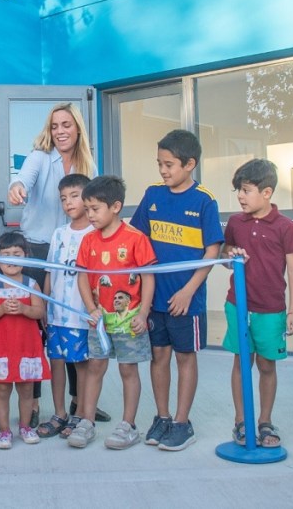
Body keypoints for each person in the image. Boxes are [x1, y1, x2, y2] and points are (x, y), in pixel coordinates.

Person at [5, 102, 101, 424]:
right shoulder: (40, 156)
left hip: (79, 248)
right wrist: (17, 188)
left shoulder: (88, 164)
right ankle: (32, 402)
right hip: (38, 248)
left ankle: (79, 400)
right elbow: (23, 179)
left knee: (76, 323)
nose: (60, 131)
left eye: (66, 125)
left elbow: (97, 204)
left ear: (77, 129)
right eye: (55, 125)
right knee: (36, 329)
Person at [130, 130, 223, 452]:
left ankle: (182, 423)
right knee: (159, 356)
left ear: (190, 164)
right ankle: (163, 417)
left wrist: (188, 292)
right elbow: (138, 239)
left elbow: (212, 251)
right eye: (159, 163)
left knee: (185, 357)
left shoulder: (205, 200)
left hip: (187, 301)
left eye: (169, 165)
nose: (163, 170)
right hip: (154, 298)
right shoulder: (153, 194)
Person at [69, 176, 156, 450]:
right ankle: (86, 421)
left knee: (128, 369)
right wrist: (91, 309)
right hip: (100, 321)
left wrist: (143, 313)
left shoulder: (136, 239)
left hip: (130, 322)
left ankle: (128, 426)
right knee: (95, 367)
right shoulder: (88, 241)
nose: (90, 215)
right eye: (87, 208)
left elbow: (148, 277)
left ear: (116, 207)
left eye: (95, 209)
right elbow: (83, 277)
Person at [221, 159, 293, 448]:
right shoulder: (235, 222)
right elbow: (225, 253)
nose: (240, 197)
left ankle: (265, 422)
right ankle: (241, 422)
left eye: (246, 190)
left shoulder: (285, 226)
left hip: (271, 310)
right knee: (242, 362)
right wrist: (231, 253)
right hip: (238, 305)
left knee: (267, 365)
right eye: (238, 191)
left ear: (266, 193)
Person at [0, 231, 48, 450]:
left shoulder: (31, 284)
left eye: (17, 254)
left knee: (26, 390)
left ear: (26, 257)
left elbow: (39, 311)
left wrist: (25, 308)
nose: (11, 259)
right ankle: (4, 430)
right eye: (5, 255)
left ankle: (25, 427)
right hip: (1, 347)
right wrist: (2, 309)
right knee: (2, 390)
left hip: (26, 346)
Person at [36, 173, 93, 440]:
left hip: (80, 316)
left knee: (81, 364)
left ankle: (80, 413)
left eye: (74, 196)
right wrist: (46, 305)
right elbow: (50, 272)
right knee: (56, 363)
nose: (68, 202)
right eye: (63, 198)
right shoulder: (59, 233)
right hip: (56, 314)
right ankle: (59, 413)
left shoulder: (94, 235)